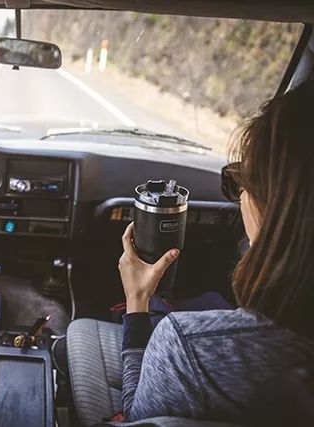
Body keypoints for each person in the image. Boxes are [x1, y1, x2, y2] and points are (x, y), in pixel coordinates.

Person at [116, 81, 314, 422]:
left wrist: (137, 303)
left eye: (244, 180)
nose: (240, 196)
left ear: (282, 209)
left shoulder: (188, 345)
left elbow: (139, 418)